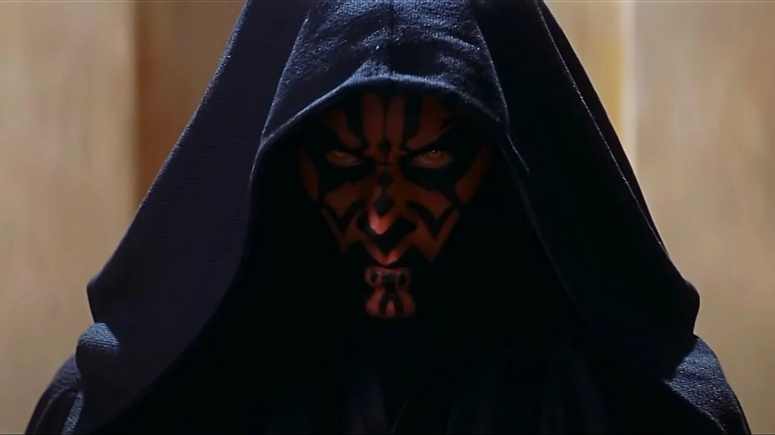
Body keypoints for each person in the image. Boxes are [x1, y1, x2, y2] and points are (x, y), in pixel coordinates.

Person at [27, 1, 750, 433]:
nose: (382, 217)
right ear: (286, 159)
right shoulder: (144, 407)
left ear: (503, 157)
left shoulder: (632, 409)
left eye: (430, 159)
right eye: (344, 161)